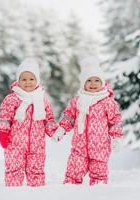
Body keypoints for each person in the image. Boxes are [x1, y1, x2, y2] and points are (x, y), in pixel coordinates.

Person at [53, 56, 123, 186]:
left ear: (102, 82)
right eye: (89, 80)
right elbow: (69, 117)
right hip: (79, 146)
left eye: (97, 80)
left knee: (99, 175)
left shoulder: (107, 102)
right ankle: (69, 191)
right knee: (73, 171)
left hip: (100, 147)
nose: (93, 83)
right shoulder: (78, 100)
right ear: (83, 83)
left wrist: (116, 137)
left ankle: (98, 193)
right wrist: (61, 129)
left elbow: (115, 121)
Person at [0, 58, 58, 186]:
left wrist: (54, 132)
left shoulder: (42, 100)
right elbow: (4, 116)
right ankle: (14, 191)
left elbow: (49, 119)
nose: (28, 82)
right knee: (14, 168)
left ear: (37, 80)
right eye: (24, 79)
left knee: (36, 170)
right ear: (18, 81)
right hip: (15, 144)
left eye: (31, 79)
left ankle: (37, 192)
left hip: (37, 144)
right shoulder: (12, 99)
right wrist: (3, 132)